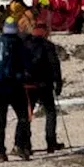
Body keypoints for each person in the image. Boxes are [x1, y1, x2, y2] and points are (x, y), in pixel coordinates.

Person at [0, 20, 31, 162]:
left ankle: (0, 151)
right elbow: (24, 63)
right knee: (23, 116)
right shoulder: (17, 42)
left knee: (0, 120)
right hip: (14, 85)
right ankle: (19, 145)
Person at [24, 21, 65, 154]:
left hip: (27, 84)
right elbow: (55, 66)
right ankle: (51, 142)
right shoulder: (48, 46)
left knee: (26, 115)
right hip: (44, 84)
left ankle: (26, 145)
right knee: (50, 112)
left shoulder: (24, 45)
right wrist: (58, 84)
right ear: (45, 32)